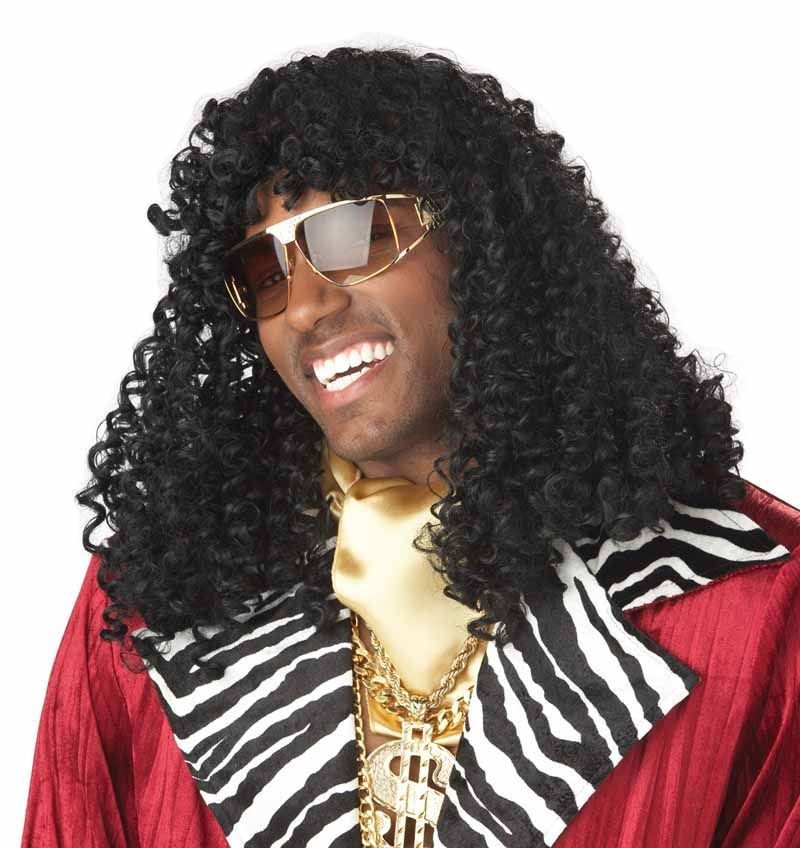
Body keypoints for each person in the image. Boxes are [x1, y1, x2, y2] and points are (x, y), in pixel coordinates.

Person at [21, 45, 800, 848]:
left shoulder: (753, 607)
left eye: (352, 234)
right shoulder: (157, 600)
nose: (303, 307)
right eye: (265, 269)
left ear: (479, 242)